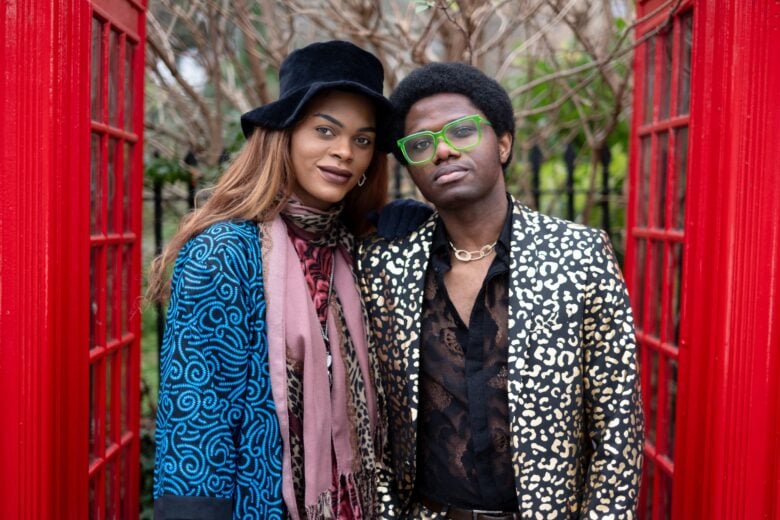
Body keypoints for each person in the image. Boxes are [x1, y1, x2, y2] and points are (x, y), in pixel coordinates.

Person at [360, 62, 643, 519]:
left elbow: (617, 424)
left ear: (504, 143)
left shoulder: (579, 253)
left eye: (462, 131)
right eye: (421, 144)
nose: (443, 151)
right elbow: (369, 421)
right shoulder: (384, 266)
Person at [148, 40, 391, 520]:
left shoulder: (352, 248)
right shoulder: (225, 254)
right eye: (325, 130)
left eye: (362, 140)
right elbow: (197, 423)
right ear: (284, 133)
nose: (344, 152)